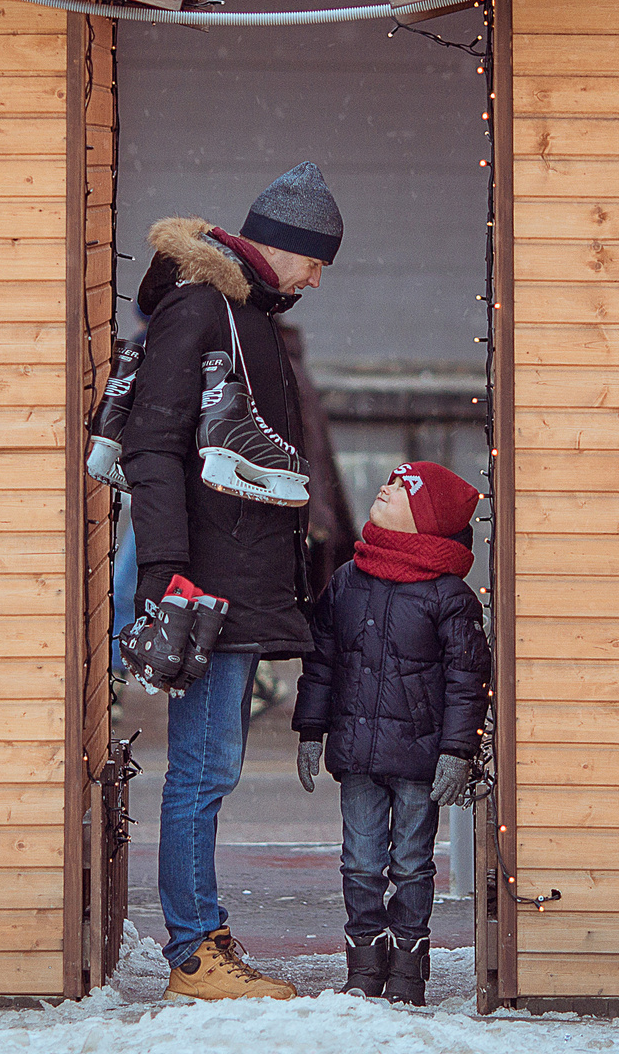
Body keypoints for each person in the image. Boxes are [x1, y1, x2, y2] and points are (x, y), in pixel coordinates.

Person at [120, 162, 342, 1002]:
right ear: (282, 246)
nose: (318, 278)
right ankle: (192, 953)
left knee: (209, 767)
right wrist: (172, 577)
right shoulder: (202, 310)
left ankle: (201, 936)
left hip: (228, 583)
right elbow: (155, 445)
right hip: (207, 588)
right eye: (316, 260)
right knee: (203, 768)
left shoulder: (239, 312)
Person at [293, 461, 489, 1005]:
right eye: (391, 480)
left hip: (420, 760)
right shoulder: (348, 581)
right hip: (358, 754)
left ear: (427, 521)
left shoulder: (449, 598)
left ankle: (407, 969)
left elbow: (466, 682)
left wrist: (457, 750)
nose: (386, 487)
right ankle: (364, 962)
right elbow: (322, 662)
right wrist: (312, 727)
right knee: (359, 861)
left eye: (405, 489)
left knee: (410, 863)